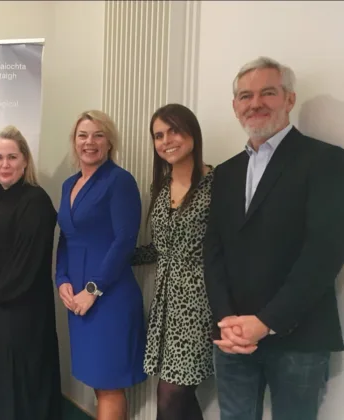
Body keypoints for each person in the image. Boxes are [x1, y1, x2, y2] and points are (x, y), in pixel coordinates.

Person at [204, 56, 344, 420]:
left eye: (268, 92)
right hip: (232, 336)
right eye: (245, 96)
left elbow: (325, 254)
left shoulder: (326, 161)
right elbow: (213, 251)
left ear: (289, 99)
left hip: (298, 334)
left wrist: (265, 322)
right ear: (235, 106)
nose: (255, 103)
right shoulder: (226, 172)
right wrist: (226, 320)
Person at [0, 126, 62, 420]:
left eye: (11, 157)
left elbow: (28, 262)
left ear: (24, 161)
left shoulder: (36, 201)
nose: (4, 165)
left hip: (20, 310)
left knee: (15, 387)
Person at [55, 111, 146, 420]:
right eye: (83, 135)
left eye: (98, 135)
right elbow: (66, 237)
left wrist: (93, 289)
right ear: (74, 141)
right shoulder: (69, 184)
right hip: (77, 297)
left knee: (109, 386)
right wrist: (62, 278)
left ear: (110, 142)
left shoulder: (120, 181)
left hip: (109, 297)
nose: (89, 142)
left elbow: (124, 241)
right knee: (97, 383)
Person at [132, 104, 214, 420]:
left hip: (199, 306)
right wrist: (115, 259)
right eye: (159, 135)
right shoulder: (161, 188)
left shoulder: (216, 183)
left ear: (191, 131)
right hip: (165, 306)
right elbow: (162, 248)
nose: (167, 140)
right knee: (179, 399)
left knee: (171, 395)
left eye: (174, 130)